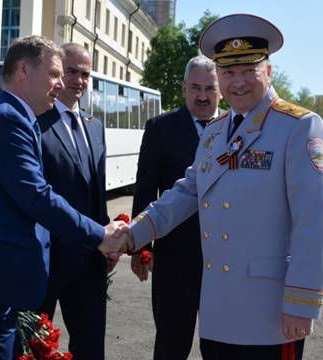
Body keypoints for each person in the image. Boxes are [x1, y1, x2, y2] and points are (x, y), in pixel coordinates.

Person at [120, 14, 323, 360]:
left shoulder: (299, 128)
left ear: (268, 71)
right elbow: (187, 191)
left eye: (248, 70)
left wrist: (302, 301)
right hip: (218, 310)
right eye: (228, 72)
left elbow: (316, 222)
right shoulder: (215, 132)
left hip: (270, 315)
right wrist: (133, 233)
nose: (237, 82)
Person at [0, 36, 131, 360]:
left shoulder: (21, 119)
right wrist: (99, 236)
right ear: (23, 69)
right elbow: (37, 196)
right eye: (54, 74)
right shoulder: (6, 120)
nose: (61, 84)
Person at [130, 55, 221, 360]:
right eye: (195, 87)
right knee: (171, 344)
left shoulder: (238, 131)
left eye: (210, 87)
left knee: (223, 346)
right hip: (174, 260)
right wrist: (141, 248)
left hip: (224, 264)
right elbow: (145, 190)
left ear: (220, 91)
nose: (203, 96)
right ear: (183, 89)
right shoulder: (160, 128)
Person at [36, 43, 111, 359]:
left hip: (89, 259)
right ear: (56, 71)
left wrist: (108, 241)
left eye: (85, 74)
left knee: (90, 346)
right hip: (44, 261)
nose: (79, 80)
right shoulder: (35, 122)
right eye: (71, 71)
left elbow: (97, 193)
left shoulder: (95, 127)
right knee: (33, 346)